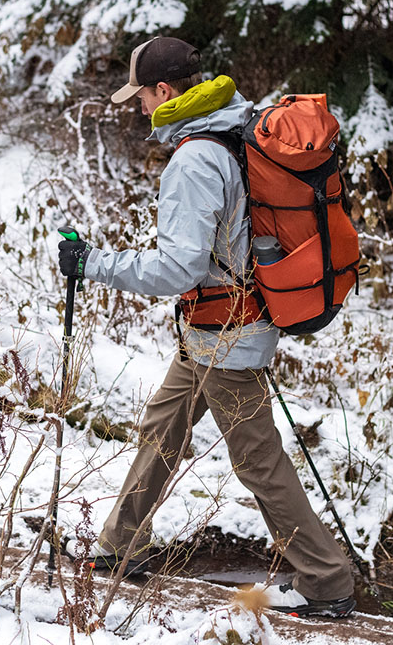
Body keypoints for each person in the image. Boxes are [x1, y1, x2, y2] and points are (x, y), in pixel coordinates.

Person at [57, 36, 356, 618]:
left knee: (258, 462)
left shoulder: (195, 159)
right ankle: (121, 547)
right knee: (164, 425)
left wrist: (93, 263)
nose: (140, 107)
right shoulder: (235, 121)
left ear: (165, 91)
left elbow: (178, 266)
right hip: (214, 328)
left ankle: (326, 579)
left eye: (142, 95)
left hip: (229, 334)